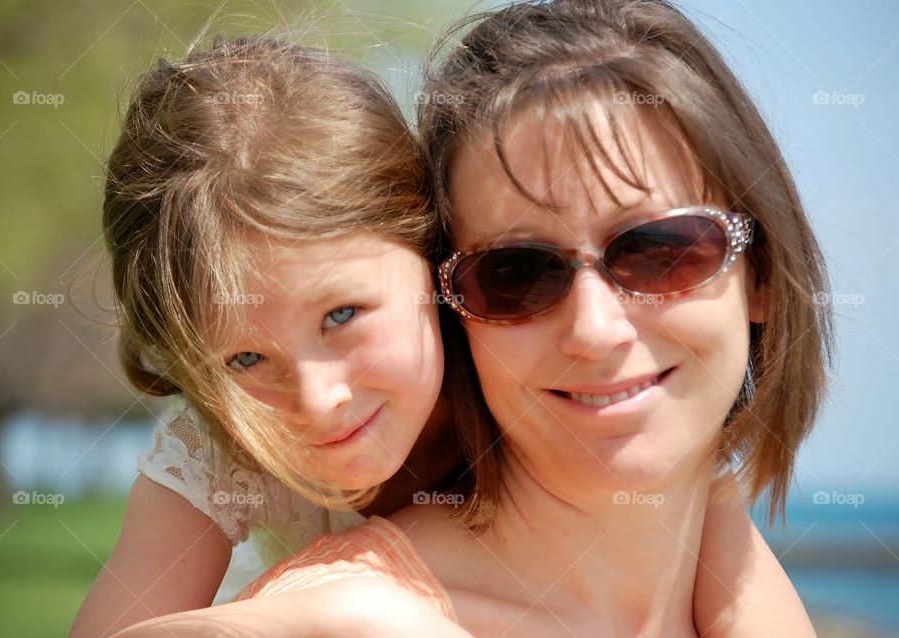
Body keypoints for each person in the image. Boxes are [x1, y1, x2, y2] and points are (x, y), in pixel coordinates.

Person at [107, 1, 832, 637]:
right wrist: (351, 615)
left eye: (660, 249)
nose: (595, 329)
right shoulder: (325, 577)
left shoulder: (719, 543)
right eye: (515, 275)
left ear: (762, 270)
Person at [70, 35, 469, 637]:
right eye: (246, 358)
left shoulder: (516, 374)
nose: (316, 400)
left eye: (341, 315)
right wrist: (347, 619)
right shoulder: (223, 448)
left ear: (427, 244)